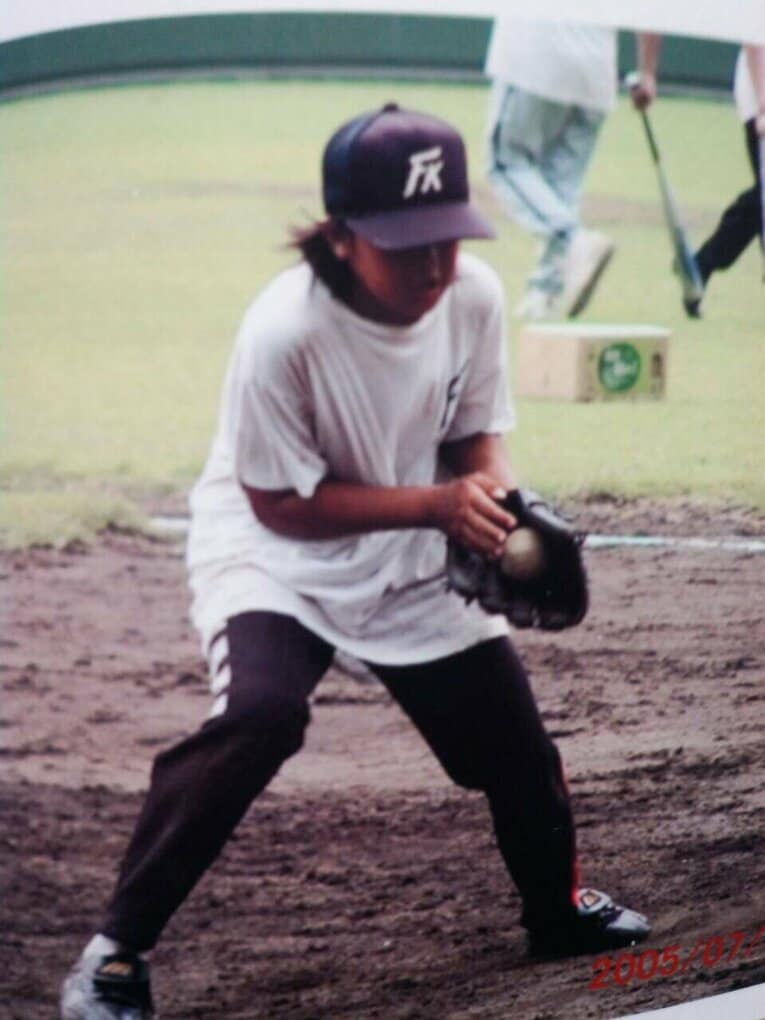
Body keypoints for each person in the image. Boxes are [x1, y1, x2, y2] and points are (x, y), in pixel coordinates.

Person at [60, 102, 650, 1020]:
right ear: (341, 237)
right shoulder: (282, 334)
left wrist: (499, 505)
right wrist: (437, 506)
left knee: (518, 753)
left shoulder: (475, 297)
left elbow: (473, 437)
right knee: (259, 715)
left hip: (415, 549)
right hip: (273, 558)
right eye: (405, 242)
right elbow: (279, 505)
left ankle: (556, 911)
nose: (432, 264)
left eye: (446, 238)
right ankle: (113, 955)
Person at [485, 17, 618, 321]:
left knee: (506, 163)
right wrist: (648, 72)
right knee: (561, 187)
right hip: (597, 70)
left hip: (536, 58)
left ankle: (572, 240)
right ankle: (544, 293)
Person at [631, 37, 765, 317]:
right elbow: (755, 33)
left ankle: (702, 264)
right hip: (760, 85)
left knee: (759, 197)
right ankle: (703, 263)